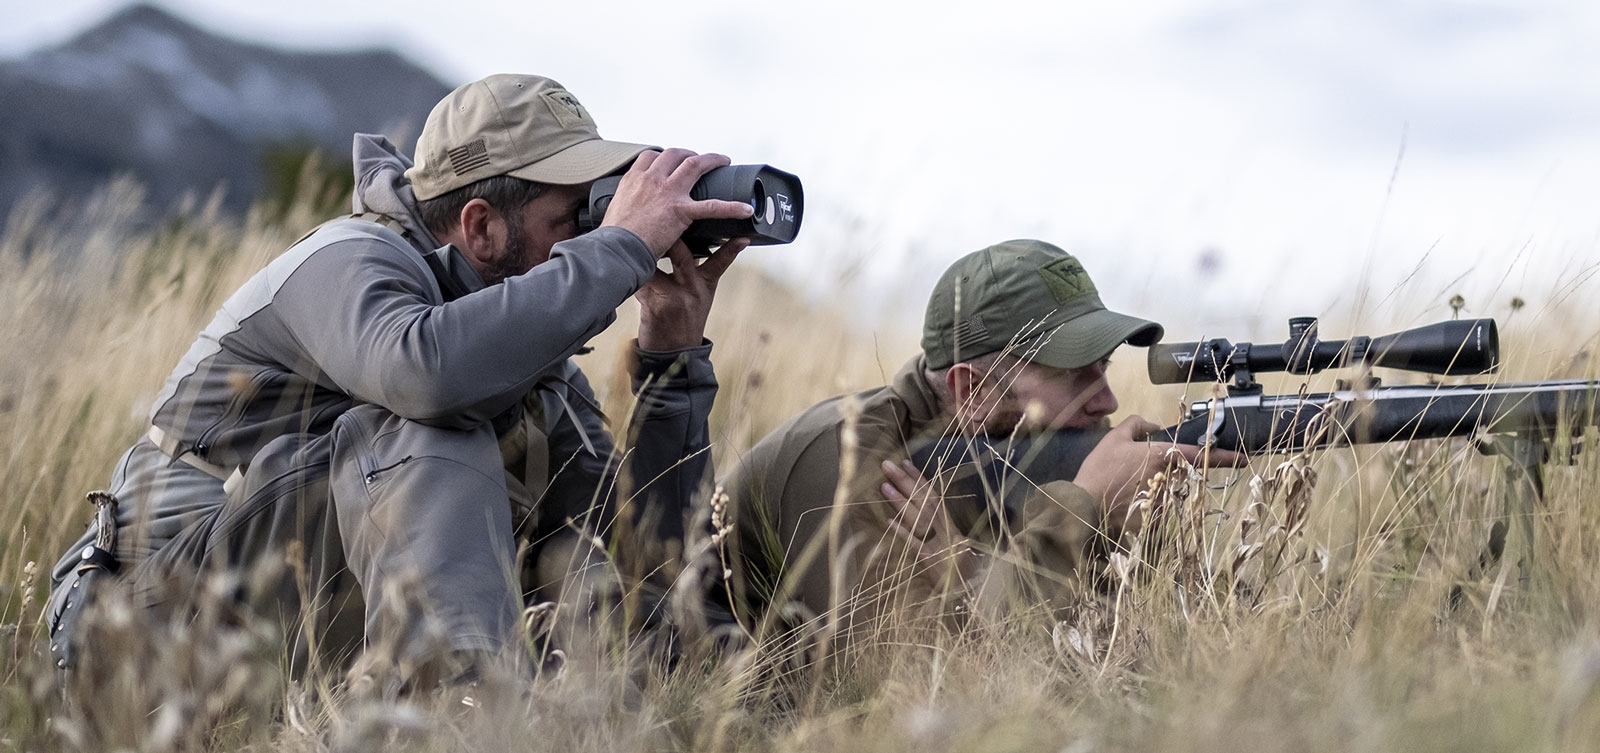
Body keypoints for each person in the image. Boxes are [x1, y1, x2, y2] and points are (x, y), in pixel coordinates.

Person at [45, 73, 755, 684]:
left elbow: (637, 559)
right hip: (135, 645)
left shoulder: (522, 366)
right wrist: (621, 248)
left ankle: (463, 696)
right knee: (425, 421)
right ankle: (459, 708)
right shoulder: (346, 261)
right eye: (576, 219)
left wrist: (672, 358)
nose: (593, 237)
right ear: (480, 228)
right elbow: (427, 376)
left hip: (282, 641)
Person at [721, 239, 1235, 643]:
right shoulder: (852, 460)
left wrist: (1133, 536)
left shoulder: (1009, 457)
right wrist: (1082, 508)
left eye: (1103, 369)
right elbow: (891, 693)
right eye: (1076, 375)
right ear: (971, 389)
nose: (1107, 403)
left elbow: (1105, 651)